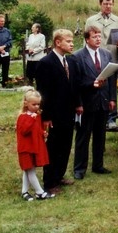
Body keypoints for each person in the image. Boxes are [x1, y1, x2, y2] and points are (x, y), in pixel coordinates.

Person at [35, 29, 82, 194]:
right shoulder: (46, 63)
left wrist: (78, 104)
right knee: (53, 147)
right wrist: (46, 117)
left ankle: (60, 175)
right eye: (68, 41)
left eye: (71, 41)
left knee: (66, 144)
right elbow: (43, 93)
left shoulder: (69, 61)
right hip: (54, 114)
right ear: (58, 42)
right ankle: (50, 182)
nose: (72, 44)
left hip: (68, 112)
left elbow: (73, 86)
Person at [72, 24, 116, 180]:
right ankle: (79, 169)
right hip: (86, 102)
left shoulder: (106, 54)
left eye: (99, 36)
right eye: (94, 37)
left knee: (100, 136)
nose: (98, 39)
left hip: (103, 101)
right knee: (83, 136)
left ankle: (98, 165)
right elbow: (75, 83)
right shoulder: (77, 56)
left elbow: (111, 78)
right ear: (86, 39)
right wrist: (91, 85)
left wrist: (112, 98)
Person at [85, 0, 118, 129]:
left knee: (112, 88)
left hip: (112, 57)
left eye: (110, 4)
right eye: (105, 4)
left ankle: (112, 117)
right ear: (100, 4)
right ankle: (97, 114)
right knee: (97, 87)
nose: (108, 6)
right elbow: (86, 39)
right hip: (96, 59)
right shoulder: (91, 20)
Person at [15, 89, 54, 201]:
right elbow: (24, 131)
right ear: (26, 103)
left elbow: (36, 130)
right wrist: (31, 120)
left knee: (28, 170)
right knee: (30, 170)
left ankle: (24, 192)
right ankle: (39, 192)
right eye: (34, 104)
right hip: (25, 149)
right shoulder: (23, 117)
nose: (36, 107)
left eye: (38, 104)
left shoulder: (36, 116)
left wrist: (43, 133)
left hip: (33, 147)